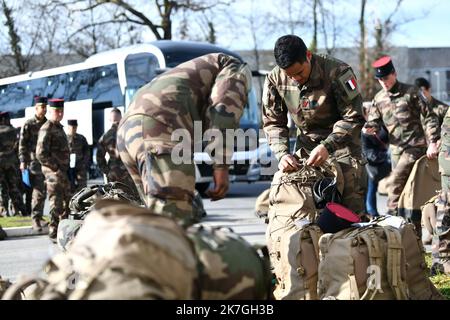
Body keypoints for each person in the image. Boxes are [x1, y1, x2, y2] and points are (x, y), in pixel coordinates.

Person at [117, 53, 252, 226]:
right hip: (159, 130)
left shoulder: (193, 70)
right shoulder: (235, 68)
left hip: (128, 133)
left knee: (152, 221)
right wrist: (221, 166)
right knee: (173, 223)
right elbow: (223, 114)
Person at [262, 35, 366, 214]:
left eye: (300, 73)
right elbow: (273, 122)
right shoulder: (274, 79)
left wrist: (327, 146)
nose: (295, 79)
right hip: (306, 150)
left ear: (308, 56)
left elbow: (353, 117)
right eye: (290, 76)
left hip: (343, 148)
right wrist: (283, 154)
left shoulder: (338, 72)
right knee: (305, 213)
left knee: (349, 215)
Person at [365, 56, 440, 225]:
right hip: (396, 151)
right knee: (408, 192)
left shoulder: (411, 92)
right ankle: (410, 231)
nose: (383, 82)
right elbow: (374, 121)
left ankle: (392, 224)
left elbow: (430, 116)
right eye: (379, 80)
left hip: (415, 148)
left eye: (386, 78)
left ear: (394, 74)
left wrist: (433, 141)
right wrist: (371, 128)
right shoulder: (379, 98)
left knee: (395, 184)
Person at [36, 99, 71, 240]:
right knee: (56, 201)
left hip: (62, 171)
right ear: (50, 111)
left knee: (67, 200)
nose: (60, 113)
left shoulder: (59, 127)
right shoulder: (47, 128)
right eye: (57, 111)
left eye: (62, 111)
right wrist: (55, 167)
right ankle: (53, 229)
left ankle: (63, 230)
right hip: (52, 172)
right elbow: (40, 153)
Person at [19, 96, 48, 230]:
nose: (44, 109)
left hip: (47, 162)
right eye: (42, 107)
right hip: (33, 162)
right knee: (37, 191)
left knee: (43, 191)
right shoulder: (29, 124)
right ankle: (35, 219)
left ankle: (40, 216)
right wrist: (23, 161)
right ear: (36, 108)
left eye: (45, 107)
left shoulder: (48, 123)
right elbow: (22, 144)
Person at [96, 108, 138, 197]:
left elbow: (99, 157)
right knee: (132, 198)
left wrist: (107, 171)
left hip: (113, 172)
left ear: (110, 119)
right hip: (129, 170)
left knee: (115, 198)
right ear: (121, 118)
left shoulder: (105, 136)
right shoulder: (129, 133)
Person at [0, 112, 27, 217]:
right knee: (13, 187)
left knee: (2, 187)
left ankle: (4, 210)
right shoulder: (13, 131)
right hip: (12, 163)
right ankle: (21, 209)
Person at [67, 119, 90, 194]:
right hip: (67, 167)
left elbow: (87, 151)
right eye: (71, 127)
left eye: (74, 127)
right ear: (68, 127)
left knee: (82, 188)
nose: (73, 129)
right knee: (69, 187)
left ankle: (81, 203)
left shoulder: (81, 138)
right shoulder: (64, 138)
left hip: (80, 166)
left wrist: (84, 163)